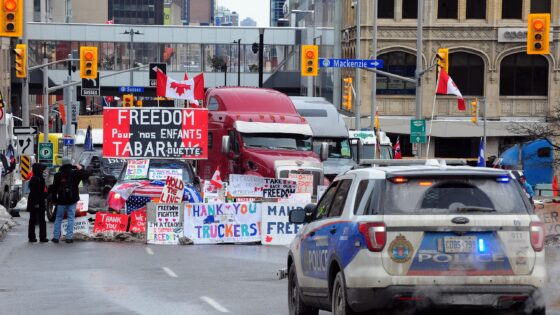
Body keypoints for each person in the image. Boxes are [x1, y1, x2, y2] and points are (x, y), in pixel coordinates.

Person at [50, 157, 91, 244]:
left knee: (58, 218)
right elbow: (86, 175)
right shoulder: (76, 173)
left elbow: (54, 188)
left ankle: (56, 237)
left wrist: (54, 199)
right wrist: (80, 168)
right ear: (70, 163)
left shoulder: (58, 175)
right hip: (72, 200)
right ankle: (69, 237)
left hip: (61, 200)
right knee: (71, 218)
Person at [27, 163, 48, 243]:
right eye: (42, 170)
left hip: (35, 201)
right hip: (37, 202)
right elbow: (35, 192)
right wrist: (37, 203)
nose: (43, 171)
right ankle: (42, 237)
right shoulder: (37, 179)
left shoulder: (35, 178)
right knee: (40, 220)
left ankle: (32, 237)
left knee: (33, 219)